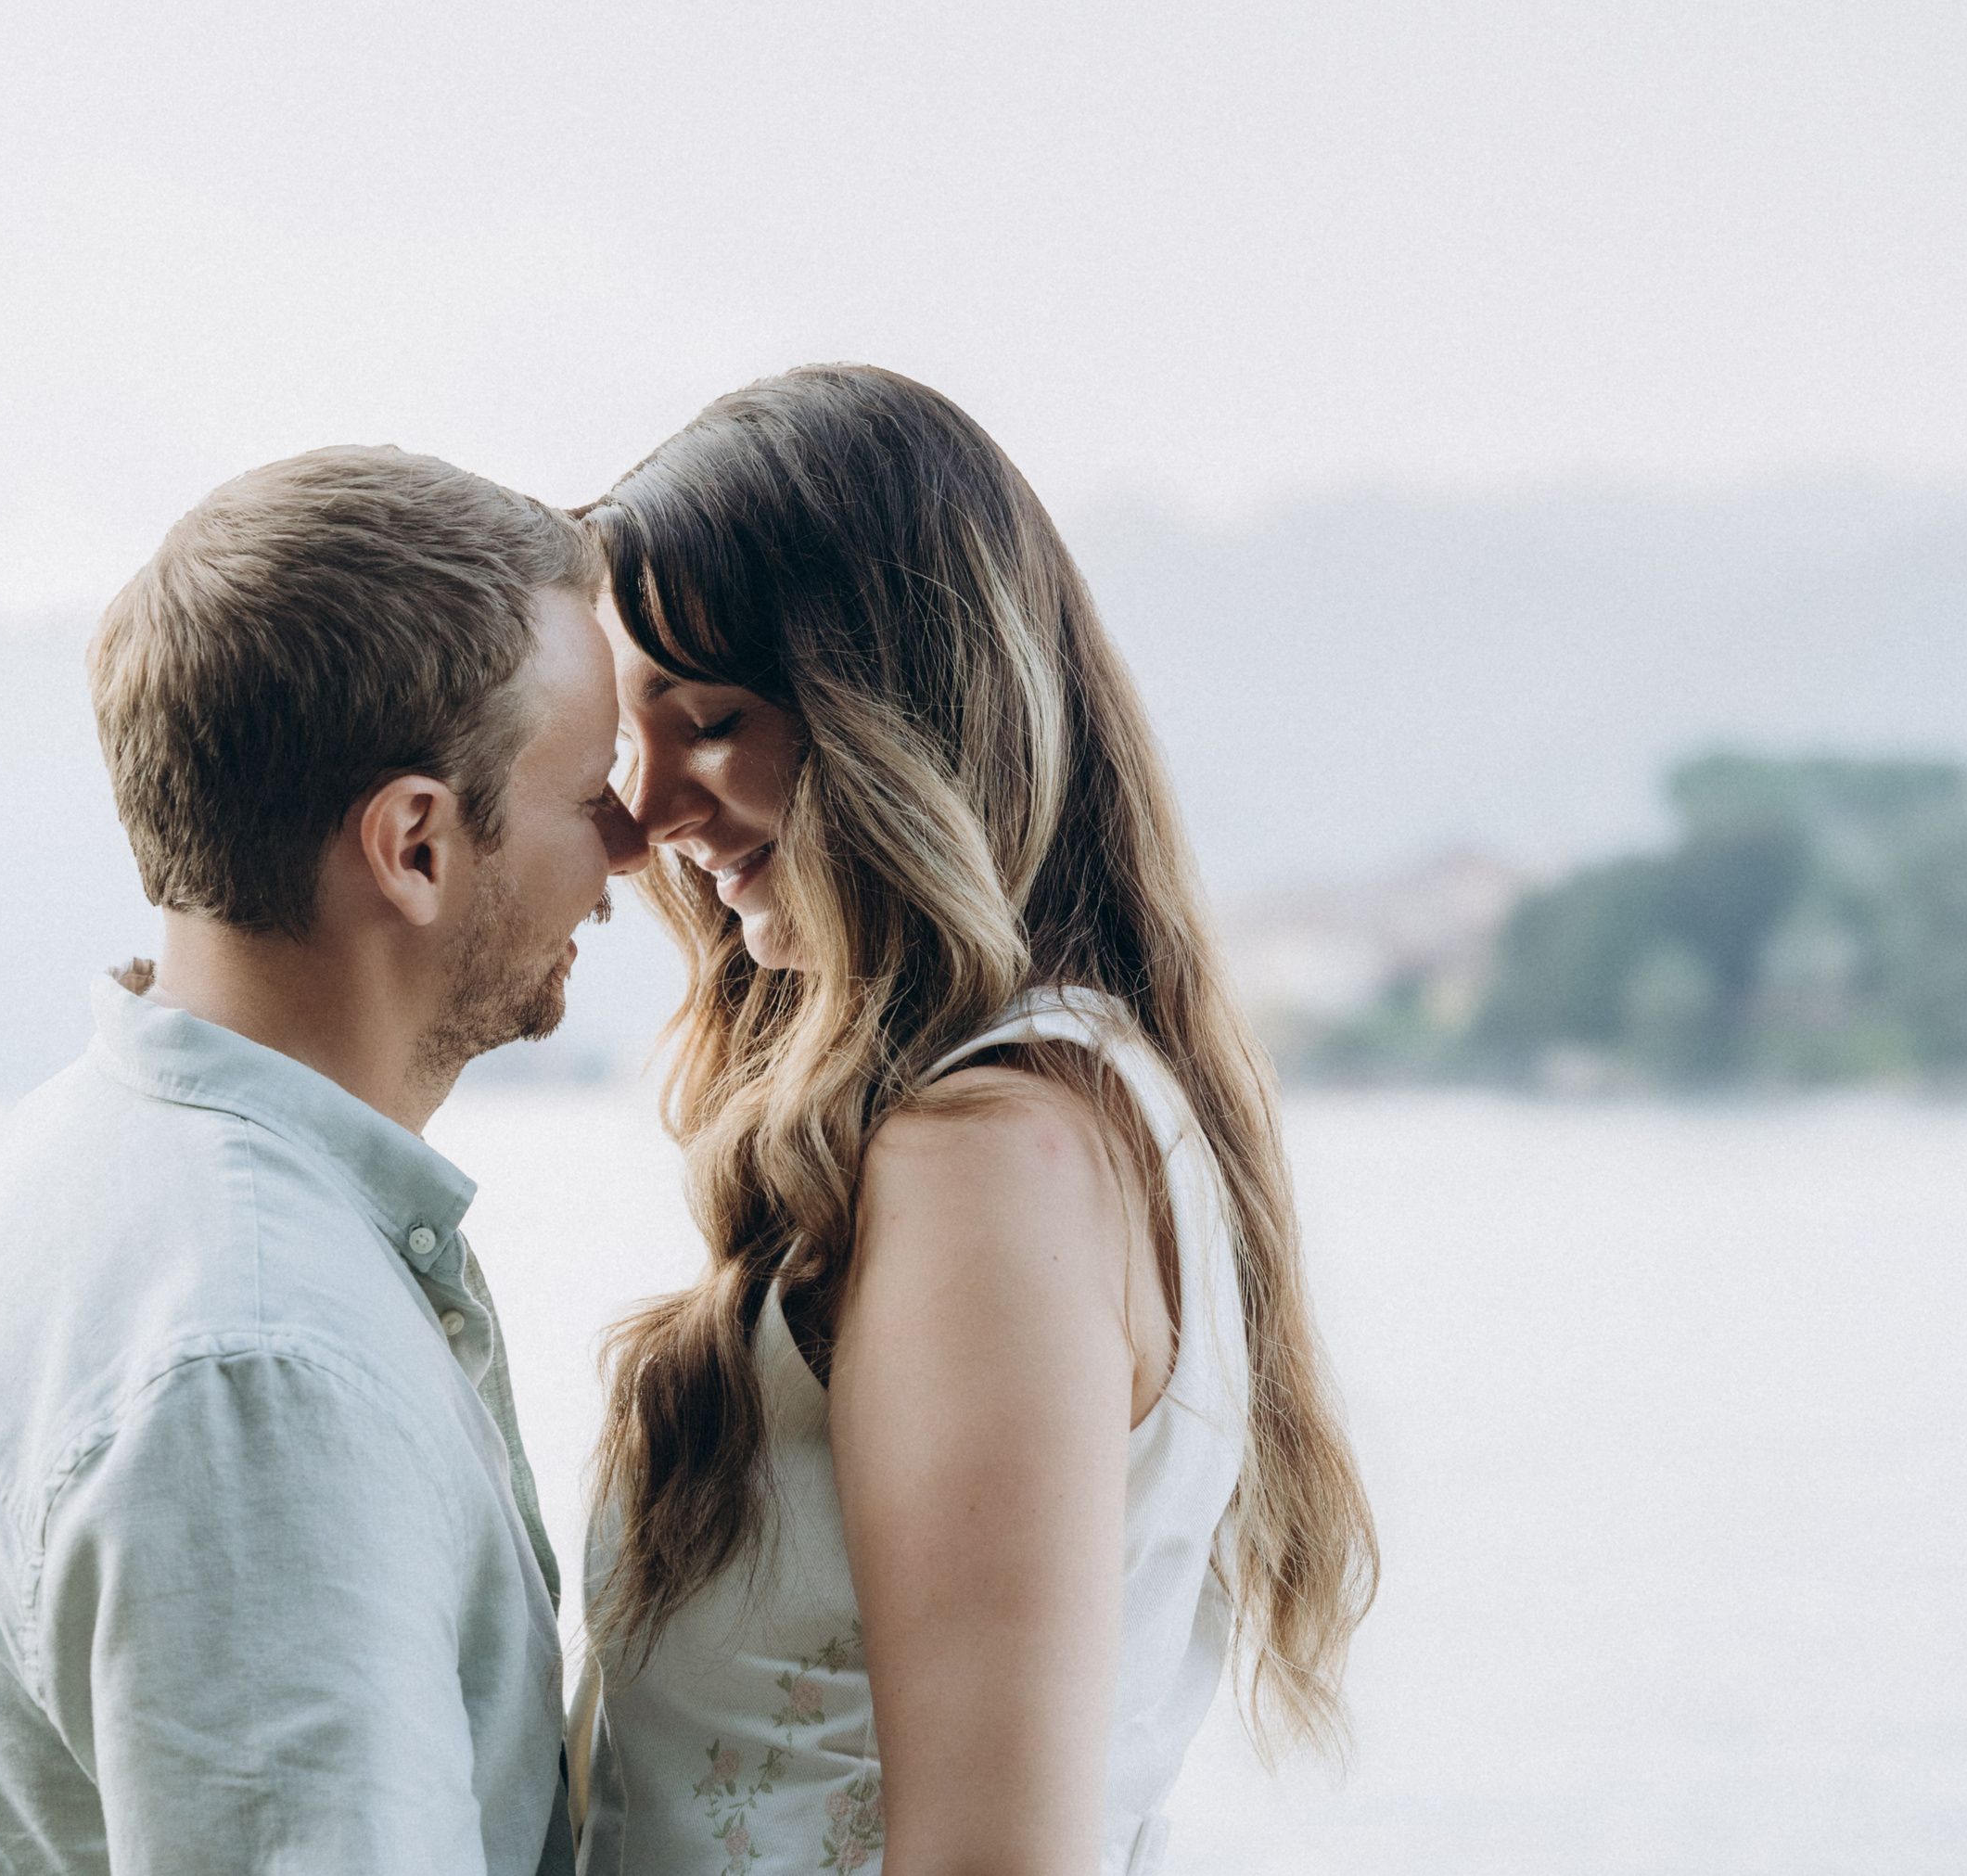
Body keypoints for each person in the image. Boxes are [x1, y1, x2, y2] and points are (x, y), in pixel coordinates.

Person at [0, 446, 646, 1876]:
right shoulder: (263, 1371)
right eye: (592, 794)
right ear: (416, 844)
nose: (634, 850)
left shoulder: (62, 1172)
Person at [572, 365, 1378, 1876]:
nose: (650, 814)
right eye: (635, 733)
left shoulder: (988, 1157)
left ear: (901, 714)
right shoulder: (1072, 1105)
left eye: (714, 720)